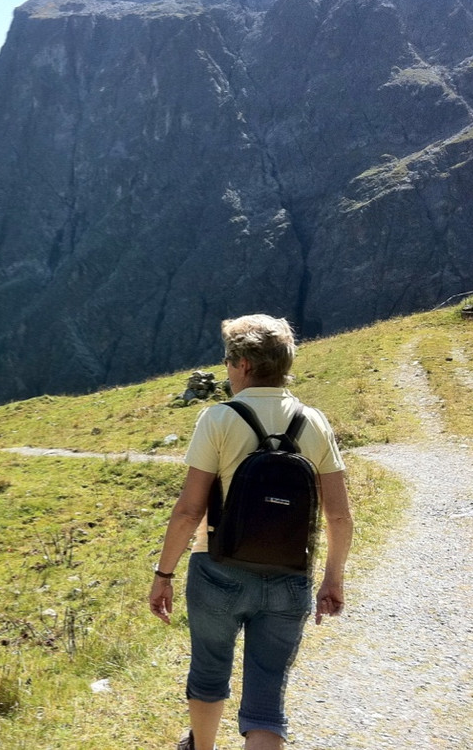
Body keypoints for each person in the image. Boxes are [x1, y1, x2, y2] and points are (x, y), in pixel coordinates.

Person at [148, 314, 353, 750]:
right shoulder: (313, 421)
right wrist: (332, 579)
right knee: (266, 700)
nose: (225, 367)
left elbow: (188, 511)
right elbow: (339, 516)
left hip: (217, 571)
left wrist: (163, 575)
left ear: (243, 364)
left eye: (227, 359)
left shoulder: (218, 419)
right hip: (289, 576)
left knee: (208, 672)